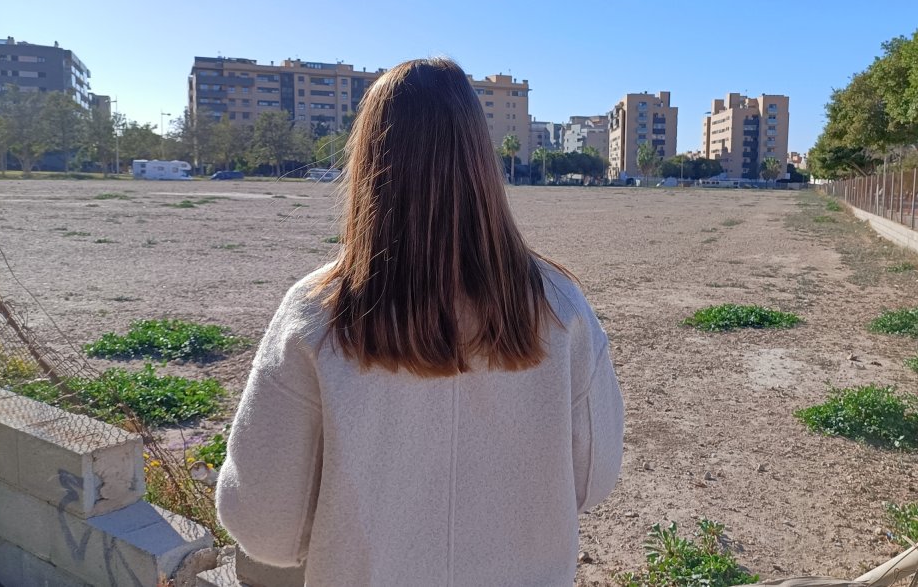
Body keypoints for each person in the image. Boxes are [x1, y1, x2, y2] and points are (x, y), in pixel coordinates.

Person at [216, 58, 625, 586]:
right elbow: (594, 480)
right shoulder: (559, 306)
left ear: (367, 158)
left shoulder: (314, 313)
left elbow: (267, 527)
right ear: (481, 159)